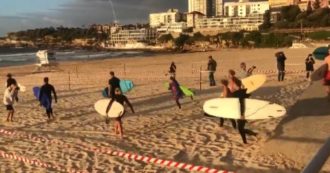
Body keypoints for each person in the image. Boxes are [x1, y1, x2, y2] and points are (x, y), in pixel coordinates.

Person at [228, 69, 249, 144]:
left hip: (241, 112)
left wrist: (242, 115)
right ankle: (250, 136)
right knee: (240, 127)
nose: (229, 76)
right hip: (238, 109)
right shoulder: (235, 87)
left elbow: (242, 104)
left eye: (229, 75)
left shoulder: (238, 91)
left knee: (241, 128)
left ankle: (247, 140)